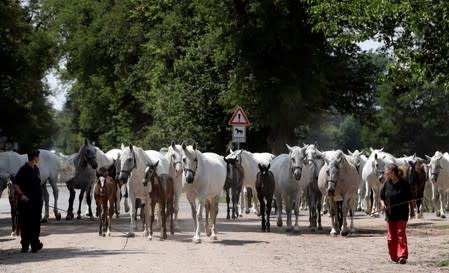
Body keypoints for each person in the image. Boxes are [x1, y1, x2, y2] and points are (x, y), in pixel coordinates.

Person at [380, 163, 415, 264]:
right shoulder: (387, 184)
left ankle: (402, 256)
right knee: (391, 237)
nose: (386, 173)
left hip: (402, 213)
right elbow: (381, 197)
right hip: (390, 214)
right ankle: (394, 256)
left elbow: (410, 198)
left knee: (400, 234)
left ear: (392, 172)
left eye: (387, 171)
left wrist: (412, 210)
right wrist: (383, 205)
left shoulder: (404, 184)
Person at [13, 148, 44, 253]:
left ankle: (35, 243)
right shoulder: (23, 169)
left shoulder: (36, 169)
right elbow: (16, 184)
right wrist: (21, 195)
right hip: (26, 202)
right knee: (25, 223)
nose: (39, 158)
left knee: (36, 223)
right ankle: (25, 245)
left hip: (37, 202)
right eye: (38, 156)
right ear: (35, 158)